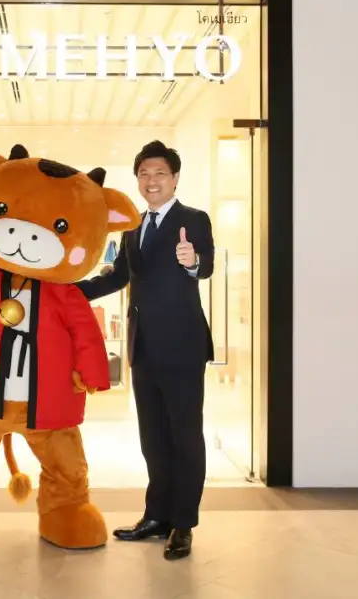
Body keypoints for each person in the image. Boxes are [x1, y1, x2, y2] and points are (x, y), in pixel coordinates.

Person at [76, 140, 214, 561]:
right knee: (153, 438)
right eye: (144, 174)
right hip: (144, 348)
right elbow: (118, 277)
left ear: (175, 178)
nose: (151, 181)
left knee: (185, 436)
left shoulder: (193, 220)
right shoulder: (133, 227)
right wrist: (68, 291)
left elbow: (205, 265)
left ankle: (183, 524)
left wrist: (192, 261)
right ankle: (157, 516)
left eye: (160, 173)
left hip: (183, 347)